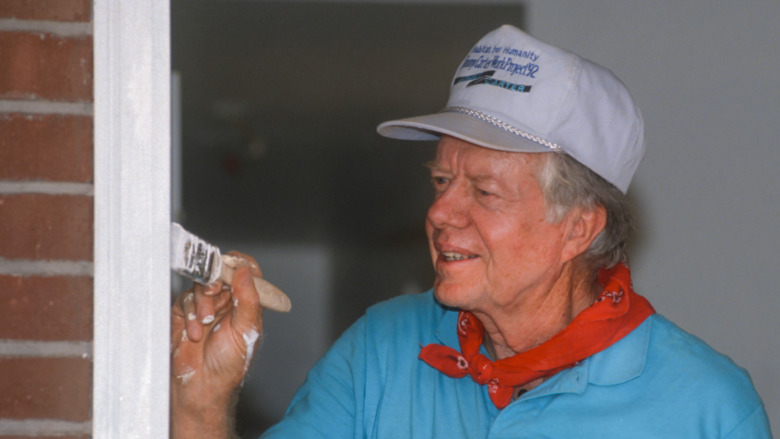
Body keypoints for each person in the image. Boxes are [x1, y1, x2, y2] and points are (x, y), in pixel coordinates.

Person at [170, 25, 772, 438]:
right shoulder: (381, 350)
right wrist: (201, 404)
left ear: (579, 228)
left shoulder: (706, 408)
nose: (440, 213)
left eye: (483, 191)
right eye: (440, 182)